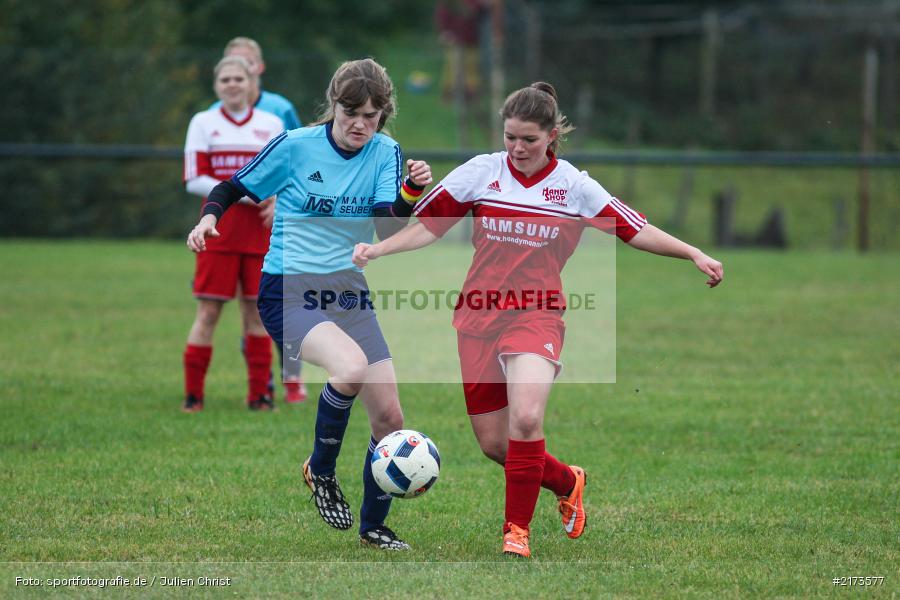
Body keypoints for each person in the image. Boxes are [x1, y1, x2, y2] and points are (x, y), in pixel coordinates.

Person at [352, 82, 724, 558]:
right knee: (496, 445)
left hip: (537, 314)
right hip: (478, 317)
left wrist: (692, 252)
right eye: (510, 137)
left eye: (529, 139)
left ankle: (516, 533)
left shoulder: (572, 185)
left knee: (526, 419)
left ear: (551, 135)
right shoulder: (481, 173)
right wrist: (379, 249)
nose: (517, 148)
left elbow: (634, 229)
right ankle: (568, 480)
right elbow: (429, 224)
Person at [187, 58, 433, 550]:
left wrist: (409, 191)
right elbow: (232, 186)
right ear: (333, 106)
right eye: (350, 113)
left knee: (390, 418)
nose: (360, 124)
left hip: (347, 290)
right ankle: (321, 470)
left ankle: (373, 527)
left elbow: (387, 223)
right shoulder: (296, 145)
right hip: (289, 288)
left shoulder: (385, 152)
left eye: (371, 115)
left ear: (384, 115)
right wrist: (209, 219)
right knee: (350, 368)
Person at [183, 55, 284, 413]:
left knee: (256, 313)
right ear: (216, 85)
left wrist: (277, 198)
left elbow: (283, 174)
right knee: (208, 312)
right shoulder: (203, 122)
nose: (231, 85)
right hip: (217, 230)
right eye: (224, 79)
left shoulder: (271, 124)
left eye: (238, 79)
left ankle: (259, 396)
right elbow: (195, 178)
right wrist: (245, 192)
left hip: (261, 232)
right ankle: (193, 396)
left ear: (250, 83)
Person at [210, 36, 306, 402]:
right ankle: (262, 381)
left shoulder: (278, 110)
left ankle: (293, 377)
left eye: (245, 67)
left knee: (282, 301)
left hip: (274, 220)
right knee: (248, 309)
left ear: (258, 70)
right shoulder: (213, 114)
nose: (237, 77)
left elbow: (300, 156)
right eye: (230, 67)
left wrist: (279, 196)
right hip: (233, 222)